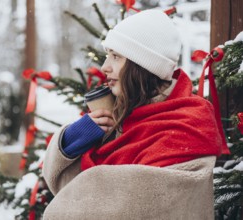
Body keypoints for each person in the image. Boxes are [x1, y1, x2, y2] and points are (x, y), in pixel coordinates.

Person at [42, 9, 228, 220]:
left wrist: (93, 180)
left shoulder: (187, 123)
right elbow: (68, 191)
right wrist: (71, 140)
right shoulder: (120, 115)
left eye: (116, 56)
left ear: (142, 65)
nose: (105, 67)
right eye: (107, 55)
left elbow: (148, 206)